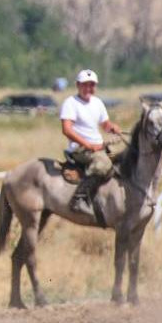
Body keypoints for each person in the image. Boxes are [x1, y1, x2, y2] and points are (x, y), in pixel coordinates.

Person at [59, 69, 122, 217]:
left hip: (99, 148)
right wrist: (88, 145)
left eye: (91, 85)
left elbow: (105, 125)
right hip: (80, 150)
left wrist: (112, 127)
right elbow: (67, 130)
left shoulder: (98, 103)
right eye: (85, 85)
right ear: (78, 85)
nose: (88, 89)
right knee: (104, 165)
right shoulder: (70, 103)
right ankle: (79, 199)